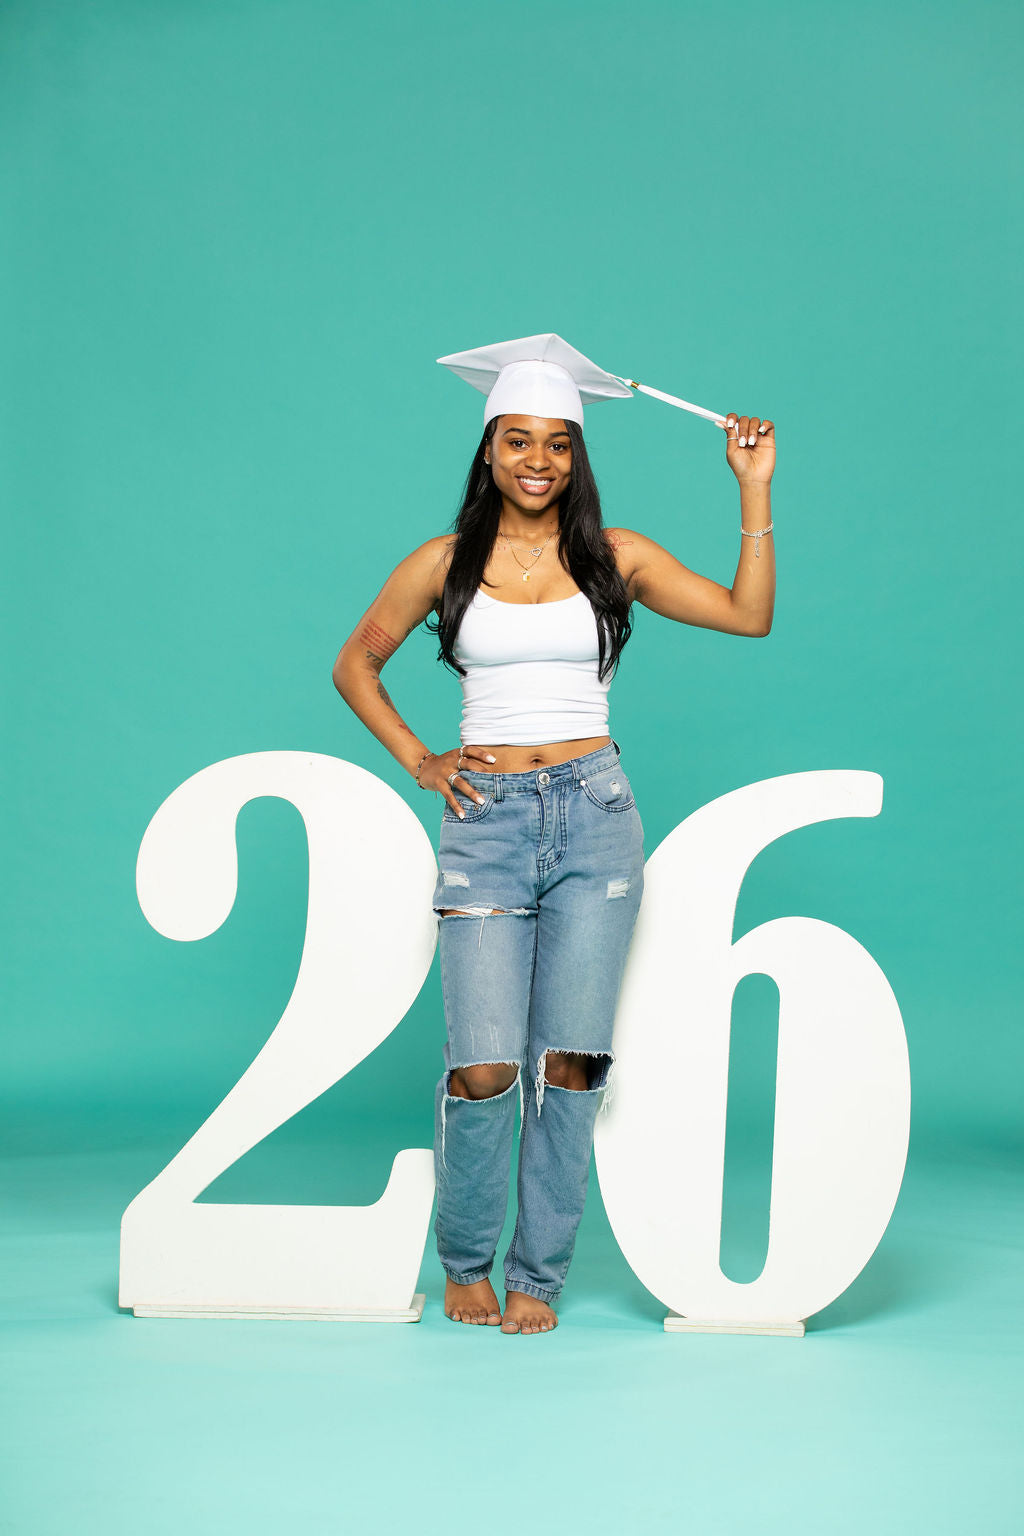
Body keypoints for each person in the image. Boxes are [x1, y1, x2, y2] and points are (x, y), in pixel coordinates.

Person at [332, 334, 775, 1335]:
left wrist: (751, 489)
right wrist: (421, 758)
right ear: (488, 452)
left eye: (558, 444)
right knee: (482, 1065)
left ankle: (539, 1273)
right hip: (484, 822)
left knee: (569, 1064)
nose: (538, 461)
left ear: (576, 457)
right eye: (517, 441)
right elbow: (356, 661)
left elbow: (750, 616)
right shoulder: (442, 563)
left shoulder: (616, 558)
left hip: (595, 817)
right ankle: (464, 1256)